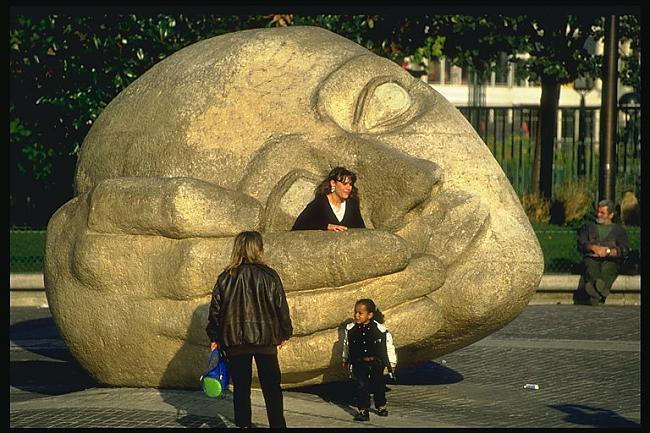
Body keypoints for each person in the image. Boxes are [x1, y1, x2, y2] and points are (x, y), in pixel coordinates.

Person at [206, 231, 293, 428]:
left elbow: (215, 312)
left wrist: (214, 336)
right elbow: (281, 307)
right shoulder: (270, 276)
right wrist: (285, 332)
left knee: (241, 389)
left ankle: (243, 425)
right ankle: (278, 425)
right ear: (258, 249)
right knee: (272, 388)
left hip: (235, 342)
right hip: (266, 340)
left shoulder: (224, 278)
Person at [342, 298, 397, 422]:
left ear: (370, 315)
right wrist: (345, 358)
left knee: (378, 385)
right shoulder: (351, 329)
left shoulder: (380, 330)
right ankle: (363, 410)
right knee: (362, 385)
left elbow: (388, 347)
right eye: (355, 312)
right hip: (359, 362)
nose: (357, 315)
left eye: (360, 313)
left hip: (376, 362)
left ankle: (381, 405)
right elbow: (347, 345)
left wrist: (391, 363)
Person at [577, 199, 630, 305]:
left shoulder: (619, 230)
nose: (598, 215)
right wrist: (593, 247)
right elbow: (581, 244)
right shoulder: (588, 227)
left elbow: (624, 249)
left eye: (602, 213)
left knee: (608, 268)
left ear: (611, 215)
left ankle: (594, 294)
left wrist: (608, 251)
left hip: (611, 259)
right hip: (592, 257)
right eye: (598, 212)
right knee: (591, 267)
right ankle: (601, 292)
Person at [291, 166, 366, 231]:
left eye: (350, 184)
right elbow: (299, 225)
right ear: (333, 183)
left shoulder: (352, 203)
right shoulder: (320, 202)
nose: (349, 188)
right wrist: (326, 226)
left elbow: (361, 229)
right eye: (344, 184)